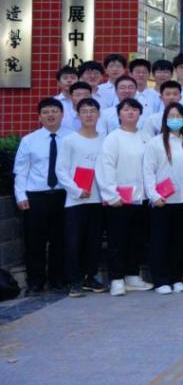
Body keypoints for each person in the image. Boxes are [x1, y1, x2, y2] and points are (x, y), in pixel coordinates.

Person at [95, 98, 153, 296]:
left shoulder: (146, 137)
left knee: (137, 240)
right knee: (118, 241)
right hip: (119, 200)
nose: (130, 112)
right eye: (126, 109)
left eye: (134, 109)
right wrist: (111, 195)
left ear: (140, 114)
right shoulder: (113, 138)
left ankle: (132, 275)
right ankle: (117, 279)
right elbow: (105, 167)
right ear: (119, 114)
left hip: (141, 198)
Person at [14, 98, 72, 295]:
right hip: (36, 196)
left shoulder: (71, 138)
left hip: (64, 195)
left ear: (62, 114)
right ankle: (35, 282)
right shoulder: (29, 140)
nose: (50, 115)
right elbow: (21, 170)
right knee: (34, 241)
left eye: (54, 111)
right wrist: (20, 195)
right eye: (46, 112)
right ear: (39, 117)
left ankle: (58, 280)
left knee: (60, 240)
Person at [56, 98, 105, 297]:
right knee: (74, 242)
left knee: (94, 242)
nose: (89, 115)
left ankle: (89, 277)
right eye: (84, 111)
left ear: (99, 114)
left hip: (99, 199)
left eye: (92, 111)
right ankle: (73, 281)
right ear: (77, 115)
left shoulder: (105, 140)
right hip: (76, 200)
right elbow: (61, 170)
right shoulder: (69, 140)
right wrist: (76, 190)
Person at [142, 102, 183, 295]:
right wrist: (153, 195)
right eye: (171, 116)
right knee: (160, 242)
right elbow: (148, 171)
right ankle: (161, 279)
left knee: (180, 242)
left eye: (178, 116)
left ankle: (176, 277)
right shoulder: (155, 143)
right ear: (165, 119)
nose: (175, 119)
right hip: (162, 201)